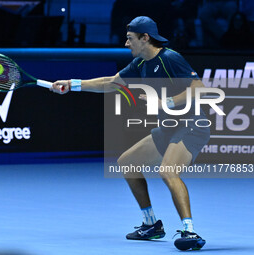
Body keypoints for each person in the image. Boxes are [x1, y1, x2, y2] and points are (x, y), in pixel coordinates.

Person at [50, 16, 209, 251]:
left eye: (130, 39)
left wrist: (165, 102)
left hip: (192, 125)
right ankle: (151, 224)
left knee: (168, 170)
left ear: (145, 38)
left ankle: (189, 230)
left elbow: (199, 89)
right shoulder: (141, 64)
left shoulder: (170, 58)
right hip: (168, 128)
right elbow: (111, 83)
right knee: (127, 162)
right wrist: (72, 84)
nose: (126, 44)